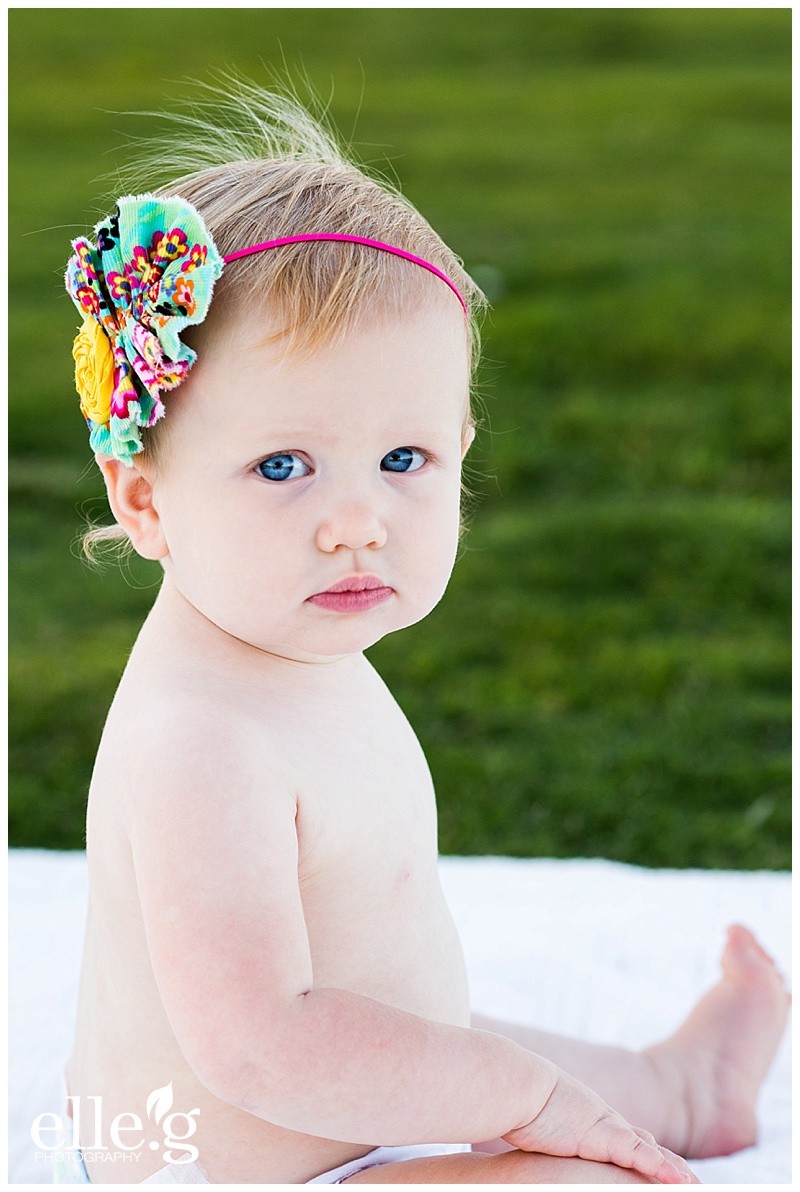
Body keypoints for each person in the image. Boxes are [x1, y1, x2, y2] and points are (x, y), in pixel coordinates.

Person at [54, 84, 788, 1185]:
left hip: (348, 1104)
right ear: (147, 501)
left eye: (404, 461)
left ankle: (681, 1089)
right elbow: (257, 1043)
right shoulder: (197, 739)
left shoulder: (288, 646)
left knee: (486, 1045)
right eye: (283, 466)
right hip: (238, 1168)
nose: (358, 522)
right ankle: (594, 1103)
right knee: (585, 1161)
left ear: (460, 445)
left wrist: (492, 1073)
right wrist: (515, 1098)